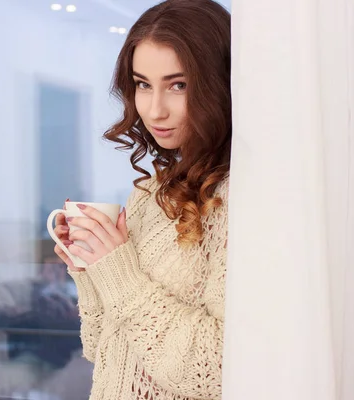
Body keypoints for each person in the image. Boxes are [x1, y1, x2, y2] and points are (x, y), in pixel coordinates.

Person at [53, 0, 231, 399]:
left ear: (218, 83)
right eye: (143, 84)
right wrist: (90, 267)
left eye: (178, 85)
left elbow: (216, 372)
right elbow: (102, 349)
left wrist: (119, 272)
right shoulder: (150, 192)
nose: (154, 110)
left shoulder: (237, 198)